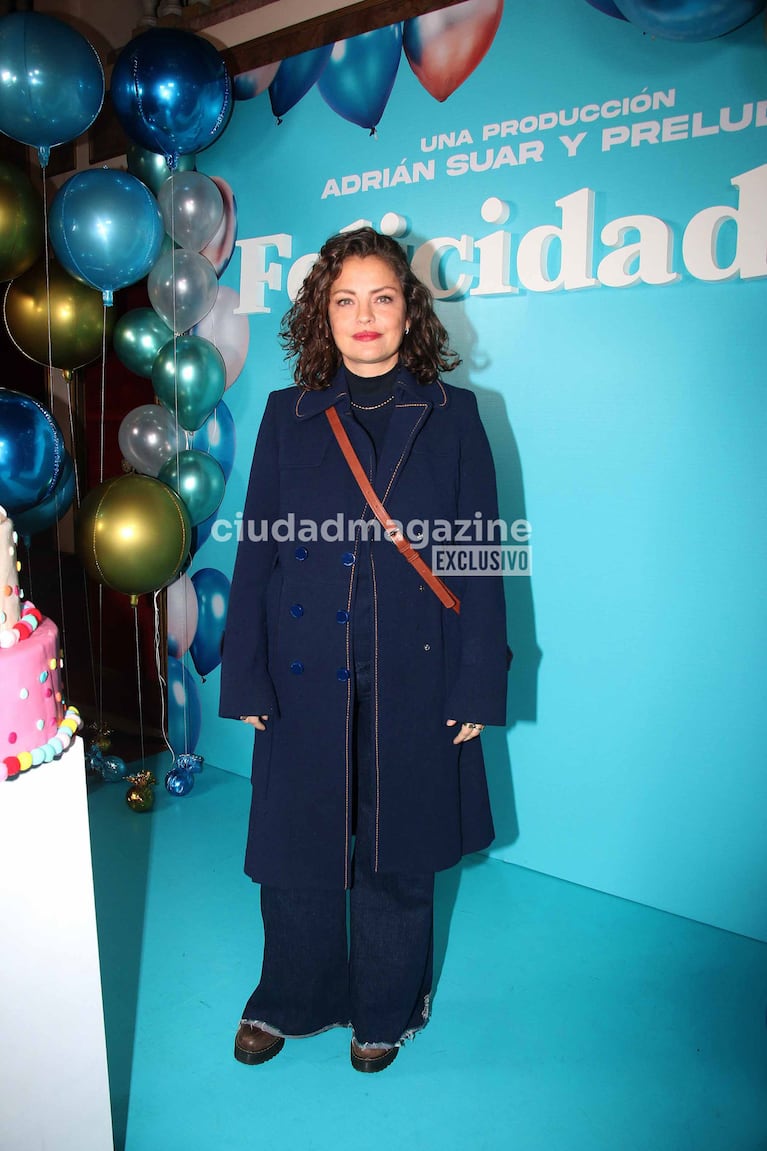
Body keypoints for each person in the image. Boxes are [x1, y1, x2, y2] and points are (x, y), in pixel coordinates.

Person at [219, 226, 509, 1073]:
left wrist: (475, 684)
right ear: (322, 315)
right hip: (305, 664)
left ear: (407, 309)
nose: (363, 315)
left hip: (415, 667)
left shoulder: (456, 416)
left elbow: (476, 557)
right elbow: (259, 550)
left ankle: (385, 1006)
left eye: (381, 296)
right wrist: (247, 668)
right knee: (298, 843)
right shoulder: (288, 413)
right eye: (343, 299)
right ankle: (291, 999)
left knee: (398, 848)